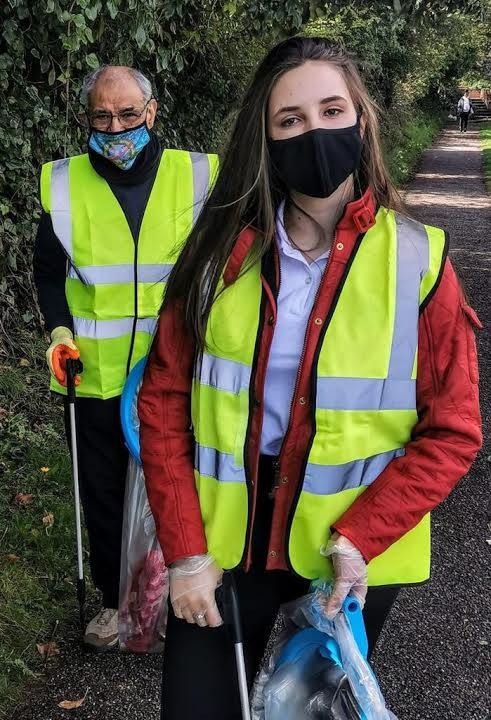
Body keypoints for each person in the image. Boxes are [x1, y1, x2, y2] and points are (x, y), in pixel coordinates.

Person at [138, 37, 482, 719]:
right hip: (222, 550)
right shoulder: (213, 255)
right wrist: (182, 554)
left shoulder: (418, 263)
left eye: (331, 110)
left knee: (308, 713)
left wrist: (361, 536)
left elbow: (453, 430)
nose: (315, 132)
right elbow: (164, 401)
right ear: (263, 139)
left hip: (346, 554)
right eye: (290, 120)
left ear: (361, 120)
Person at [33, 65, 217, 650]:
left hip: (178, 372)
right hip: (95, 376)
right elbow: (48, 274)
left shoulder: (198, 175)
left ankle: (189, 591)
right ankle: (118, 607)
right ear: (87, 118)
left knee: (188, 485)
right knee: (106, 493)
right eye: (101, 117)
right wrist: (59, 332)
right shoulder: (61, 184)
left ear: (152, 112)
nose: (116, 129)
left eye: (128, 115)